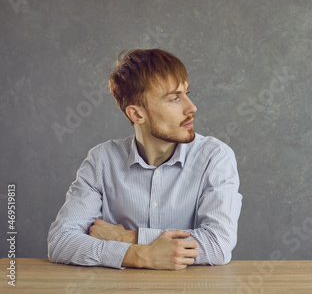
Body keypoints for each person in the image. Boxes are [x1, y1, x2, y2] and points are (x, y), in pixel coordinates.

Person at [48, 49, 242, 270]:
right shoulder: (102, 161)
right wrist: (139, 255)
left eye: (187, 93)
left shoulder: (214, 157)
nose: (191, 107)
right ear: (137, 114)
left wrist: (129, 238)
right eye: (174, 98)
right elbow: (61, 241)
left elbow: (218, 245)